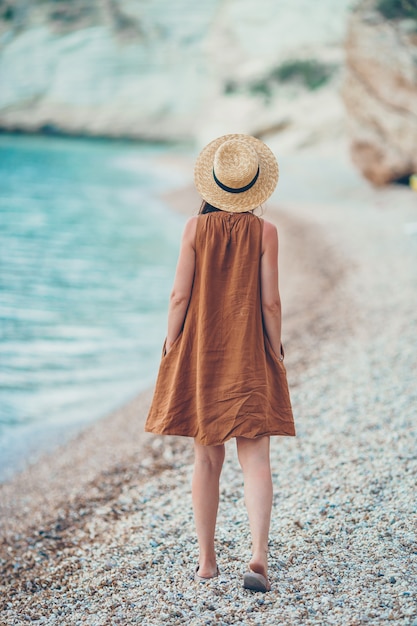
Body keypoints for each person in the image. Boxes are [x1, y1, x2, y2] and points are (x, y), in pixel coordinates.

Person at [145, 134, 295, 593]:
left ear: (212, 185)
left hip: (203, 353)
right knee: (256, 459)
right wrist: (277, 351)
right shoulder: (266, 232)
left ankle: (207, 562)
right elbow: (271, 303)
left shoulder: (193, 229)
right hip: (250, 352)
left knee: (207, 460)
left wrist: (171, 345)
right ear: (254, 189)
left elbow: (179, 296)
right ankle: (258, 557)